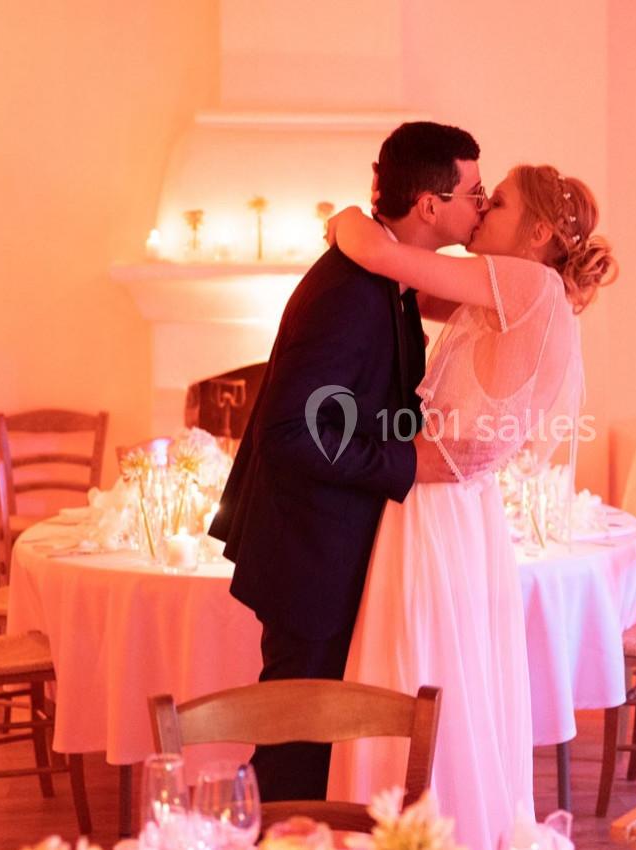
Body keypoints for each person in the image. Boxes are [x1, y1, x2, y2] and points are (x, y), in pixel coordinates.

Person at [325, 164, 618, 850]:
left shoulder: (529, 283)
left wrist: (342, 217)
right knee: (440, 670)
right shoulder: (510, 296)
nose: (483, 206)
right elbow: (405, 282)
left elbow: (376, 255)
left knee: (417, 666)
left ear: (539, 231)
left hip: (439, 507)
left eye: (501, 199)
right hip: (457, 508)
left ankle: (416, 829)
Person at [207, 121, 484, 803]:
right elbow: (288, 431)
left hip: (328, 540)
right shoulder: (348, 291)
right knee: (297, 736)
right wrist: (406, 463)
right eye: (473, 192)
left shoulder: (383, 274)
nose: (479, 206)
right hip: (310, 551)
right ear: (428, 204)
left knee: (313, 737)